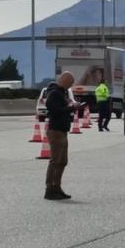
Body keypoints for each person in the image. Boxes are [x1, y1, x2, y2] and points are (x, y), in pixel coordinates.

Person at [44, 72, 79, 200]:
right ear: (64, 81)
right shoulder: (54, 94)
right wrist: (71, 108)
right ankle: (50, 188)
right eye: (70, 83)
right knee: (56, 161)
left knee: (63, 161)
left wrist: (72, 107)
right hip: (56, 131)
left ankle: (57, 187)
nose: (71, 85)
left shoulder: (62, 94)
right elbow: (54, 110)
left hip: (62, 131)